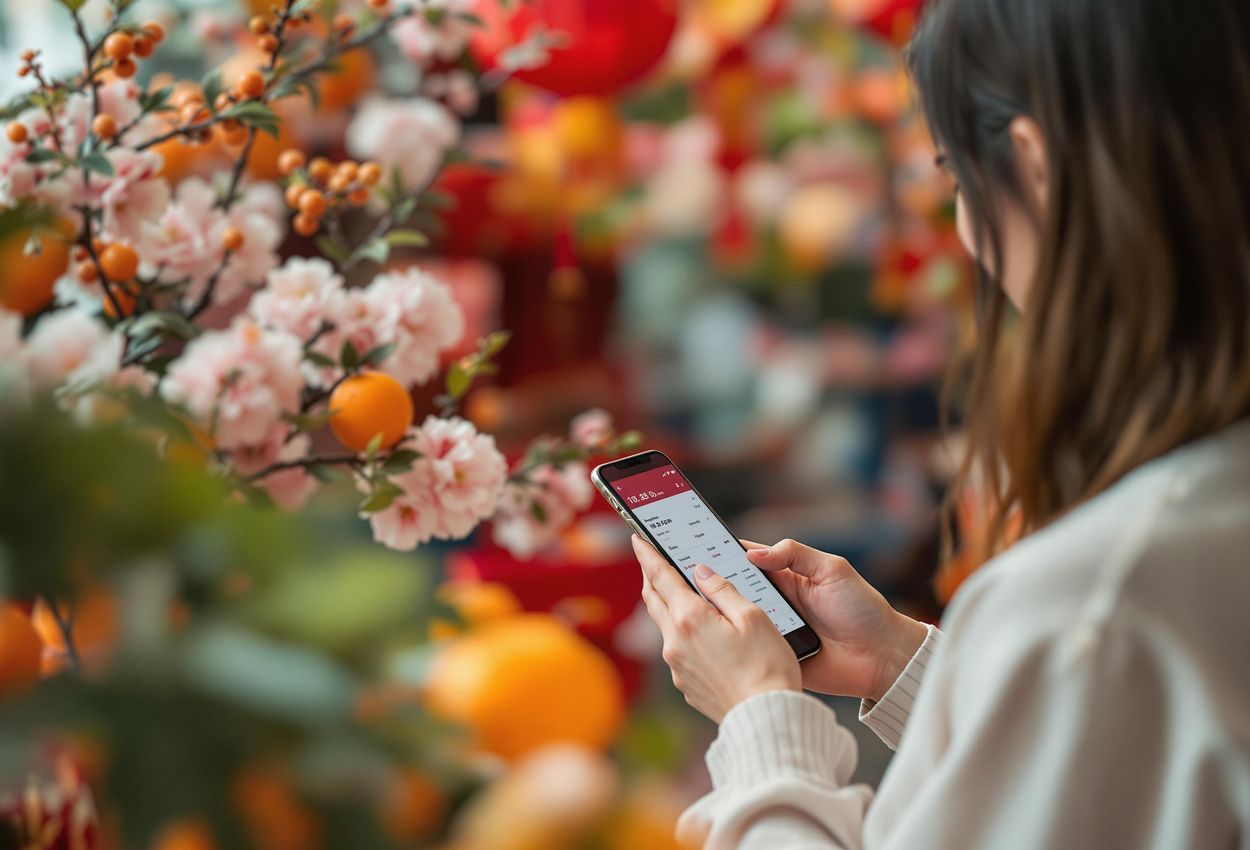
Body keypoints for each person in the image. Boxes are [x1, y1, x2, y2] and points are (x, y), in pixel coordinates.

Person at [630, 0, 1250, 847]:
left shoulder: (1102, 598)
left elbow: (1099, 691)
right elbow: (1101, 775)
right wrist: (906, 663)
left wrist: (759, 722)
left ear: (1031, 163)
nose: (963, 232)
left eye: (956, 181)